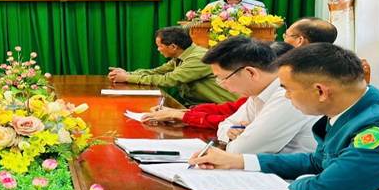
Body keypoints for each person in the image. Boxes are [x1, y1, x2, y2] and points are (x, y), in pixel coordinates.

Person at [189, 43, 379, 190]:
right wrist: (239, 161)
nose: (285, 96)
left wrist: (297, 181)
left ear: (320, 91)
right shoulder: (349, 110)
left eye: (287, 89)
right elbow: (317, 161)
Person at [201, 37, 317, 153]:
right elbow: (225, 124)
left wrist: (241, 138)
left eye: (222, 78)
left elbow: (242, 150)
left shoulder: (287, 96)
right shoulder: (258, 93)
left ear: (251, 73)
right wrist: (231, 134)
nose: (222, 85)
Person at [142, 41, 294, 129]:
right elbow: (229, 115)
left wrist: (182, 115)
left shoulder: (284, 97)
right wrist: (183, 113)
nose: (222, 84)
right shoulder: (256, 95)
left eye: (222, 78)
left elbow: (242, 144)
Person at [107, 26, 237, 105]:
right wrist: (128, 74)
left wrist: (127, 78)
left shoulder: (198, 58)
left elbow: (168, 80)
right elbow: (158, 71)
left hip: (223, 108)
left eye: (160, 46)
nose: (158, 49)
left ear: (173, 47)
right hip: (199, 105)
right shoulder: (181, 55)